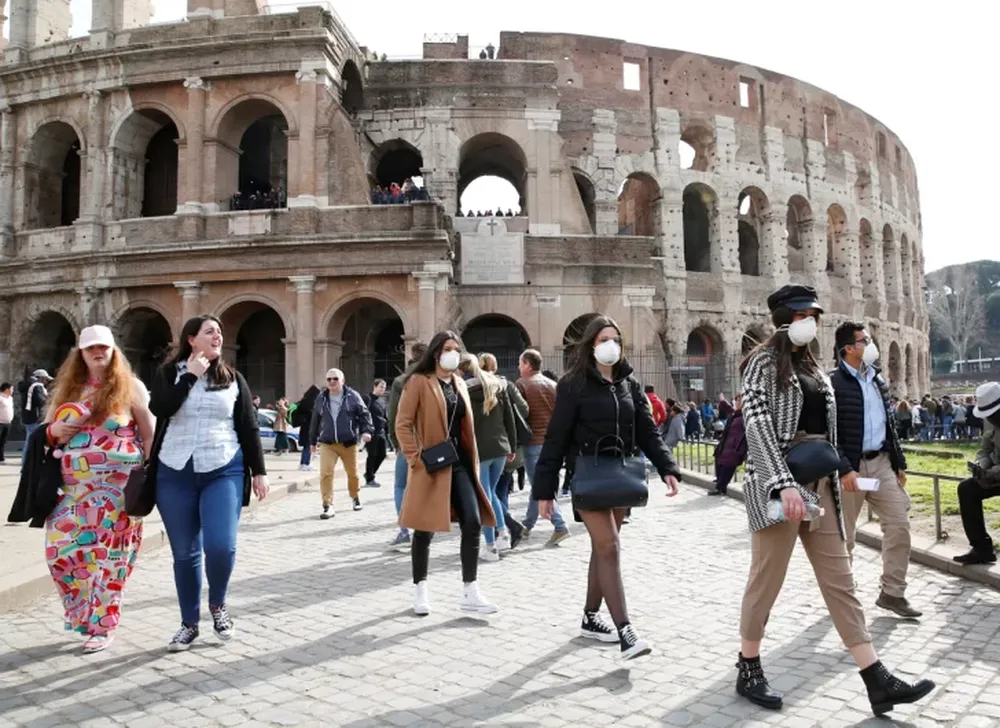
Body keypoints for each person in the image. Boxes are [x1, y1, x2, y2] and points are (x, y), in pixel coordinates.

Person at [735, 284, 933, 716]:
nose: (812, 320)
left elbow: (830, 431)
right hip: (779, 485)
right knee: (766, 580)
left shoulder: (814, 367)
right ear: (784, 317)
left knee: (840, 582)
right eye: (803, 313)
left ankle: (875, 678)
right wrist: (783, 483)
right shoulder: (761, 364)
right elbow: (758, 425)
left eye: (815, 314)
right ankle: (748, 664)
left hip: (820, 485)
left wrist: (842, 470)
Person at [534, 315, 680, 659]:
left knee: (603, 549)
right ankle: (626, 631)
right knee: (610, 546)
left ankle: (589, 617)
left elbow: (647, 431)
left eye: (615, 338)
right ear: (590, 345)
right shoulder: (572, 384)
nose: (610, 344)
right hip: (587, 474)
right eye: (602, 339)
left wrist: (667, 467)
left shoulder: (629, 384)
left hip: (620, 475)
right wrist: (545, 489)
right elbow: (555, 439)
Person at [150, 315, 270, 652]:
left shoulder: (233, 379)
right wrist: (190, 376)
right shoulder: (167, 374)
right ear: (191, 339)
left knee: (221, 545)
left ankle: (218, 604)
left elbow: (247, 427)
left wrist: (259, 471)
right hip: (174, 470)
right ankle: (189, 624)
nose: (217, 336)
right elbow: (161, 408)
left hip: (222, 468)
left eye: (219, 331)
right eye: (209, 331)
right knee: (185, 554)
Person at [37, 326, 154, 653]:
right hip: (72, 494)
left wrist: (148, 473)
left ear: (114, 351)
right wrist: (54, 430)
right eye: (90, 348)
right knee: (61, 553)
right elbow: (50, 434)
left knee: (109, 561)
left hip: (117, 495)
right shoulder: (68, 390)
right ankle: (82, 614)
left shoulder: (131, 388)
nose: (98, 352)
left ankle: (103, 625)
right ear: (81, 354)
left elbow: (148, 433)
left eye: (103, 347)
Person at [394, 331, 498, 615]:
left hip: (461, 461)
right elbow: (402, 423)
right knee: (424, 529)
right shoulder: (418, 382)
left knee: (473, 521)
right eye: (447, 348)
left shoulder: (460, 384)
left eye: (456, 349)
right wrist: (415, 458)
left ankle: (470, 590)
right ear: (436, 353)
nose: (452, 353)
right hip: (431, 463)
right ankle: (420, 590)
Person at [829, 322, 918, 619]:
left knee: (899, 525)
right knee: (845, 536)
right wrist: (844, 469)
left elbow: (889, 426)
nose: (869, 344)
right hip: (851, 469)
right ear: (848, 349)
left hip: (880, 464)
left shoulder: (878, 381)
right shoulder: (833, 384)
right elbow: (828, 434)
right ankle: (843, 594)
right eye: (863, 340)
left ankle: (893, 592)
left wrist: (899, 462)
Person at [458, 353, 516, 561]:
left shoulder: (463, 390)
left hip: (480, 450)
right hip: (501, 446)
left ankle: (492, 544)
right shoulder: (498, 386)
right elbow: (510, 417)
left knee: (485, 497)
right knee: (490, 492)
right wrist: (512, 446)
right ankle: (502, 533)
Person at [517, 349, 570, 545]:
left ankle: (560, 525)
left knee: (540, 487)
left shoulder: (522, 385)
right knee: (539, 486)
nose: (518, 367)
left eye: (520, 363)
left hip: (533, 443)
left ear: (528, 365)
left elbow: (520, 415)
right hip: (553, 442)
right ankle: (527, 525)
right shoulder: (554, 385)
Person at [309, 368, 373, 517]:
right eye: (329, 379)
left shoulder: (353, 396)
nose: (332, 382)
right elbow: (315, 420)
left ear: (342, 381)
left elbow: (365, 415)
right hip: (327, 442)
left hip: (348, 443)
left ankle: (355, 497)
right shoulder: (321, 398)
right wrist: (312, 442)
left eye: (335, 379)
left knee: (353, 474)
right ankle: (327, 505)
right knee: (326, 473)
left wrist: (367, 431)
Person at [386, 343, 428, 550]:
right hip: (433, 441)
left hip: (408, 440)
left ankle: (405, 531)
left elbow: (393, 414)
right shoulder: (436, 379)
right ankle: (424, 528)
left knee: (401, 485)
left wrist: (394, 441)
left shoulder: (401, 381)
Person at [953, 381, 1000, 565]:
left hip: (996, 473)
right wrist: (981, 465)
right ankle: (981, 548)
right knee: (967, 489)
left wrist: (992, 473)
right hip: (994, 473)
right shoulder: (989, 420)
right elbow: (985, 449)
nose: (991, 418)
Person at [710, 393, 746, 496]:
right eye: (737, 400)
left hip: (736, 446)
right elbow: (729, 409)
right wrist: (722, 401)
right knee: (720, 461)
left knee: (728, 465)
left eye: (740, 400)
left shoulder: (745, 415)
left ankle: (720, 487)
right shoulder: (736, 414)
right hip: (726, 444)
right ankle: (720, 485)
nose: (737, 402)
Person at [21, 369, 52, 460]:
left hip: (29, 417)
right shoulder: (37, 386)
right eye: (45, 379)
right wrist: (49, 399)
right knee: (31, 441)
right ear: (41, 378)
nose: (46, 381)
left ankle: (26, 462)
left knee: (29, 440)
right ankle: (27, 463)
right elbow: (41, 401)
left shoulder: (29, 386)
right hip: (36, 417)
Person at [363, 379, 389, 488]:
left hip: (381, 431)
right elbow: (363, 415)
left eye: (384, 387)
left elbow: (384, 416)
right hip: (371, 432)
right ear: (375, 386)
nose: (383, 389)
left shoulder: (382, 401)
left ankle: (370, 473)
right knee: (372, 455)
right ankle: (370, 478)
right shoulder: (367, 399)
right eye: (381, 387)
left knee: (382, 454)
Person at [291, 385, 320, 471]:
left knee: (307, 446)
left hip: (305, 428)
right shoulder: (311, 404)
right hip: (309, 428)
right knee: (308, 446)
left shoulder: (304, 402)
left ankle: (305, 463)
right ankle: (305, 463)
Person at [0, 382, 12, 463]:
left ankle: (1, 458)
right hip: (0, 422)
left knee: (3, 441)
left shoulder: (10, 398)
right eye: (12, 389)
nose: (13, 390)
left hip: (7, 422)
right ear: (7, 389)